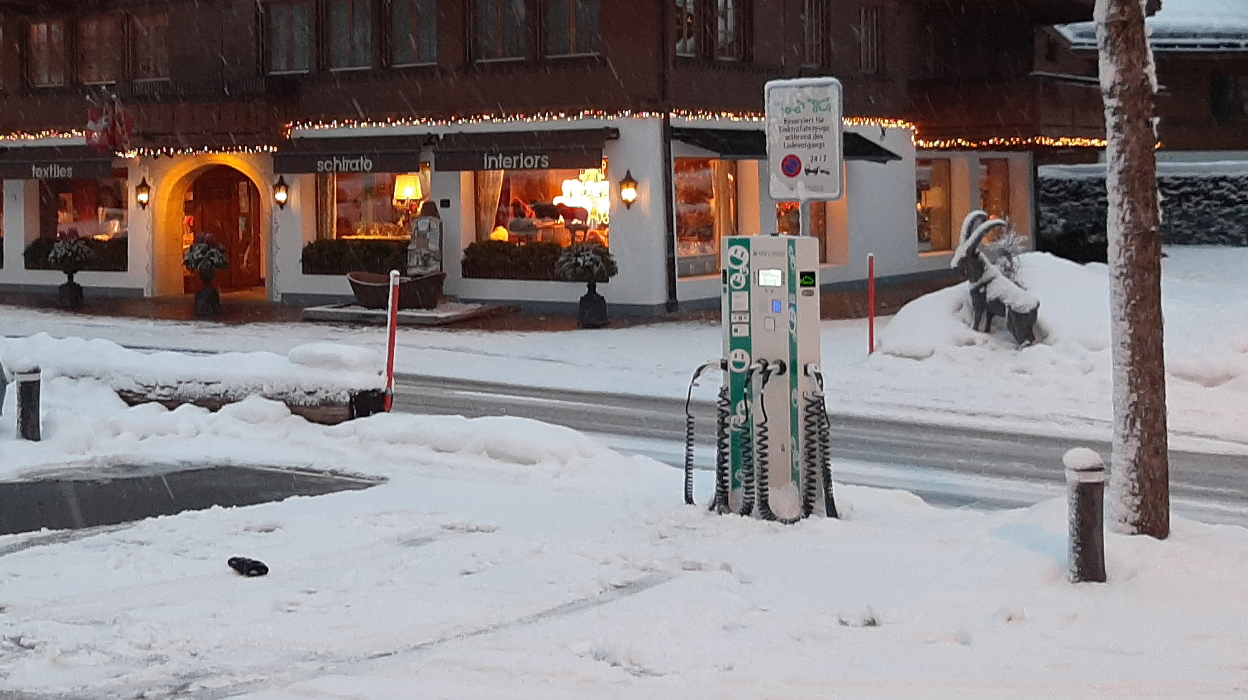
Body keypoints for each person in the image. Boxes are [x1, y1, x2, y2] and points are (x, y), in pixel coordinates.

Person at [408, 200, 443, 276]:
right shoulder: (437, 222)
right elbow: (438, 242)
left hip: (416, 263)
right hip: (432, 262)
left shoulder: (415, 222)